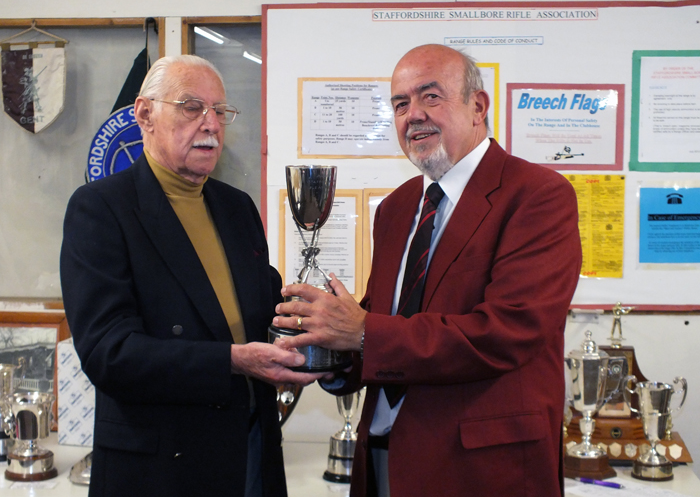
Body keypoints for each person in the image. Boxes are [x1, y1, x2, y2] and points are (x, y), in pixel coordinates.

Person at [273, 44, 582, 497]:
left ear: (477, 107)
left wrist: (361, 334)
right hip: (382, 459)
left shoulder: (538, 195)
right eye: (400, 104)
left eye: (430, 96)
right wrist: (327, 352)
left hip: (483, 472)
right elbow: (386, 323)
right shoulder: (397, 209)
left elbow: (507, 332)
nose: (412, 115)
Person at [60, 55, 321, 497]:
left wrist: (325, 325)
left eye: (219, 111)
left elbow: (265, 314)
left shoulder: (236, 208)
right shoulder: (101, 210)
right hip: (161, 471)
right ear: (145, 114)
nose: (211, 124)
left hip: (251, 453)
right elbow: (110, 353)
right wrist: (233, 361)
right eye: (191, 106)